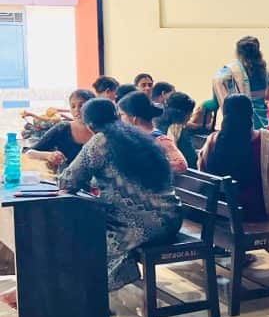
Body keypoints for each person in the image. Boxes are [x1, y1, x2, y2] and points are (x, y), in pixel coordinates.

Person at [59, 99, 182, 292]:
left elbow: (68, 181)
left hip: (146, 225)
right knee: (93, 226)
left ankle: (89, 294)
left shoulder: (100, 141)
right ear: (117, 116)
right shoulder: (138, 136)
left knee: (85, 234)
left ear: (90, 126)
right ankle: (90, 289)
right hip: (171, 219)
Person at [199, 94, 269, 269]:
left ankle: (242, 255)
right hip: (256, 212)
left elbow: (203, 168)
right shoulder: (264, 140)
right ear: (250, 115)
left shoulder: (212, 141)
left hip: (221, 213)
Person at [118, 91, 187, 175]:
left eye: (122, 115)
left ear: (134, 118)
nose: (120, 119)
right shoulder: (132, 136)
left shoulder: (160, 140)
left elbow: (181, 165)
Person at [26, 89, 95, 172]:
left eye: (81, 105)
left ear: (93, 107)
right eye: (73, 106)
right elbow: (28, 153)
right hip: (68, 181)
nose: (76, 110)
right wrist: (48, 155)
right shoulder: (62, 128)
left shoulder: (104, 130)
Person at [213, 36, 269, 129]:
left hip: (242, 122)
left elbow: (218, 80)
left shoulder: (234, 71)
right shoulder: (262, 70)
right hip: (262, 123)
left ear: (238, 53)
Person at [157, 92, 199, 170]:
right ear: (182, 113)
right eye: (190, 112)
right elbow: (173, 157)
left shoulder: (162, 123)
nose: (191, 116)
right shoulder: (174, 128)